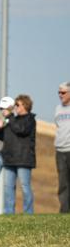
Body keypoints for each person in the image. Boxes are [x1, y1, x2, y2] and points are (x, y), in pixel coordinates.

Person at [0, 94, 37, 215]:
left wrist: (9, 116)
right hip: (9, 158)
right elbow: (1, 137)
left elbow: (21, 130)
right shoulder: (12, 119)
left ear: (25, 105)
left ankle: (28, 212)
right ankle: (9, 212)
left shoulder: (30, 119)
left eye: (17, 105)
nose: (15, 107)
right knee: (8, 187)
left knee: (25, 187)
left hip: (24, 159)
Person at [55, 82, 70, 213]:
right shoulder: (57, 109)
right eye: (59, 92)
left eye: (63, 92)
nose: (60, 95)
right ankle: (64, 211)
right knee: (63, 183)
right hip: (60, 150)